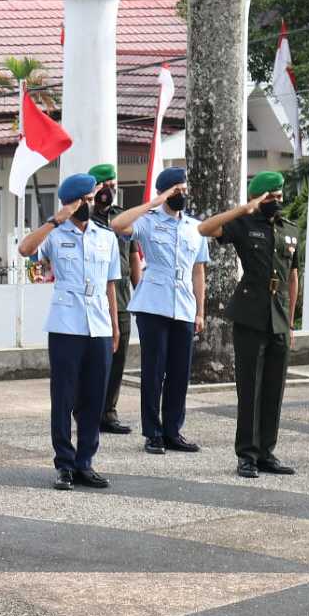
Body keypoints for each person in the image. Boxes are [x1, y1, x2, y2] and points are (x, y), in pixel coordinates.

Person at [18, 173, 121, 492]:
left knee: (94, 398)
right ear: (72, 203)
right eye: (86, 200)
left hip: (99, 325)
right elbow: (25, 249)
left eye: (92, 199)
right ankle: (64, 463)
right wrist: (53, 220)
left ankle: (84, 463)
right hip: (65, 325)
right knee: (63, 398)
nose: (91, 204)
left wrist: (115, 326)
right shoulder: (54, 233)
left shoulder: (106, 237)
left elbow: (110, 286)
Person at [199, 171, 301, 478]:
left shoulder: (290, 230)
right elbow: (205, 228)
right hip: (250, 314)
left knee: (274, 389)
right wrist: (244, 208)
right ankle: (246, 454)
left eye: (280, 195)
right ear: (259, 198)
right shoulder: (243, 224)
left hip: (279, 317)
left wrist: (291, 322)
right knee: (250, 388)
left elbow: (293, 277)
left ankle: (266, 452)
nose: (278, 201)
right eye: (271, 196)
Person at [111, 166, 206, 455]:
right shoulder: (148, 222)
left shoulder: (194, 227)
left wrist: (200, 311)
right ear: (164, 192)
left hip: (184, 306)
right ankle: (153, 433)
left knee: (179, 372)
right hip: (153, 304)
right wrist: (153, 202)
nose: (182, 195)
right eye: (176, 190)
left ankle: (173, 430)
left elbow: (199, 271)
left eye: (184, 190)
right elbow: (118, 224)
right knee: (154, 371)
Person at [88, 163, 141, 435]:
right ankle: (88, 411)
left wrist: (139, 293)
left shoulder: (122, 219)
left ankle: (109, 412)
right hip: (94, 301)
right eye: (104, 184)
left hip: (121, 299)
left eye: (112, 183)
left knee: (118, 360)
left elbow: (133, 256)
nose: (110, 189)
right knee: (94, 360)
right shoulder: (83, 218)